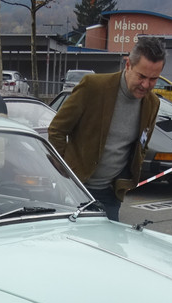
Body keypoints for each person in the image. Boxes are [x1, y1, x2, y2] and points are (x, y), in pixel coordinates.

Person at [47, 37, 164, 222]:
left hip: (110, 194)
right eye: (141, 76)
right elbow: (57, 130)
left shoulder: (152, 103)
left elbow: (141, 145)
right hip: (74, 190)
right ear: (128, 65)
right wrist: (64, 173)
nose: (146, 85)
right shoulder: (93, 87)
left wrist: (127, 180)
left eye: (153, 79)